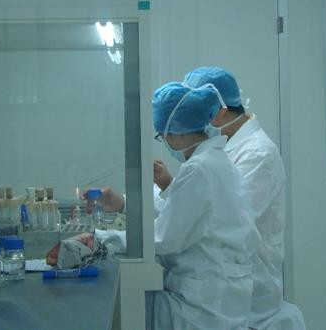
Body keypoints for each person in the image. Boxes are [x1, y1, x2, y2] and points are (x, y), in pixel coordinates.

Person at [78, 81, 260, 330]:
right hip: (221, 299)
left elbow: (164, 237)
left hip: (199, 308)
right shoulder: (217, 163)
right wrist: (123, 203)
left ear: (179, 131)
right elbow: (185, 214)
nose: (164, 140)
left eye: (163, 135)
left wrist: (99, 239)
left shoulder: (200, 168)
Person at [163, 66, 304, 330]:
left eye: (196, 108)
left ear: (221, 111)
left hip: (249, 298)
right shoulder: (218, 148)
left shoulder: (257, 154)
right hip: (226, 288)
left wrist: (170, 190)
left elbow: (221, 217)